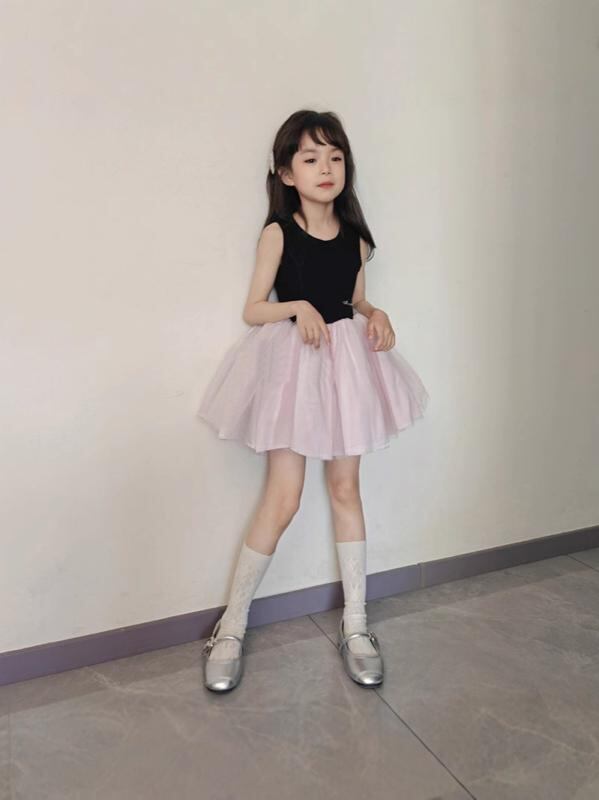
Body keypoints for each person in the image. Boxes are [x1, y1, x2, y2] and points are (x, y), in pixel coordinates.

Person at [197, 109, 429, 692]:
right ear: (287, 172)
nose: (326, 168)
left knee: (346, 488)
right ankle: (231, 626)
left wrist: (377, 314)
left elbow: (355, 301)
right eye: (310, 158)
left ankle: (357, 624)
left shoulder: (356, 238)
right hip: (294, 370)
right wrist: (297, 306)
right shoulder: (279, 232)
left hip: (347, 367)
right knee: (284, 497)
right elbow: (253, 308)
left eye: (335, 157)